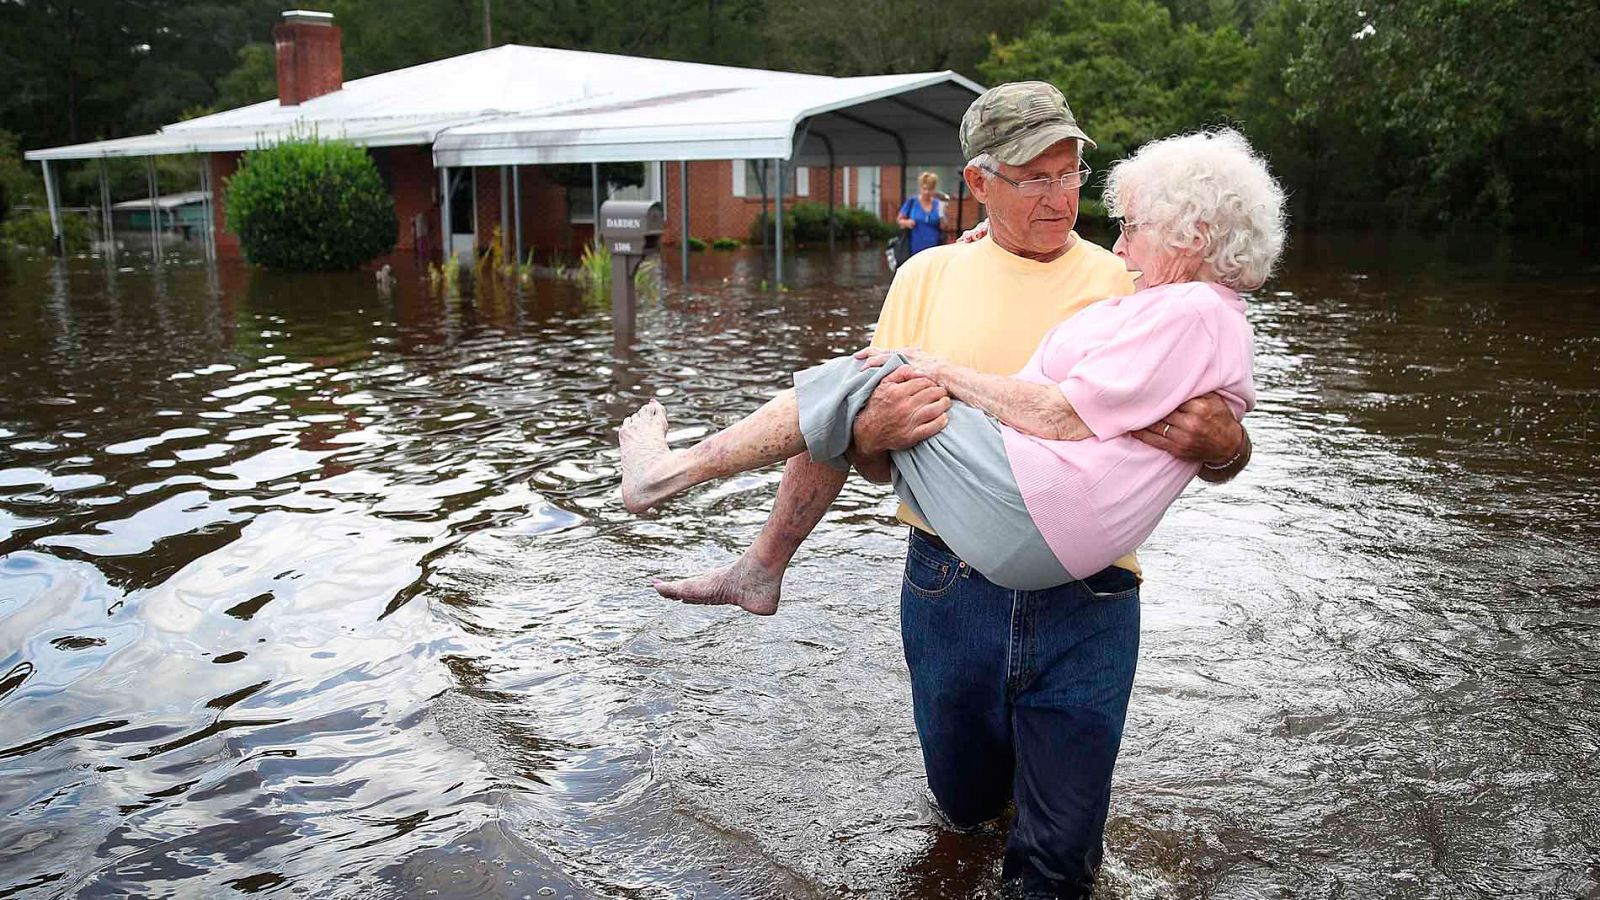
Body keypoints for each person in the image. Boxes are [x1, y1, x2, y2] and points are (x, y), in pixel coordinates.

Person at [649, 83, 1260, 898]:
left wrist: (1229, 445)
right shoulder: (927, 277)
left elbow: (1214, 434)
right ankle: (753, 553)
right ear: (979, 185)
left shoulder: (1139, 279)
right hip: (949, 585)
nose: (1061, 196)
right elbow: (861, 450)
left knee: (1060, 857)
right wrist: (874, 434)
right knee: (965, 812)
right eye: (1033, 179)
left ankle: (690, 492)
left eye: (1070, 171)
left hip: (1093, 591)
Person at [896, 172, 947, 258]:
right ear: (920, 188)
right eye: (924, 189)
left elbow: (944, 227)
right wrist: (907, 222)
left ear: (934, 189)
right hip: (915, 249)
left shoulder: (938, 204)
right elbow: (899, 220)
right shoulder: (912, 202)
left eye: (930, 189)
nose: (927, 192)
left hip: (934, 249)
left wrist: (941, 214)